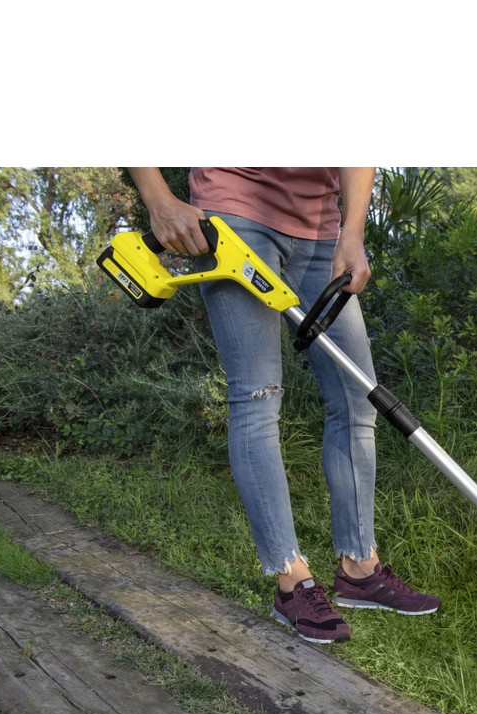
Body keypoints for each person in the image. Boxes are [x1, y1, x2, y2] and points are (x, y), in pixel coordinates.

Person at [128, 167, 439, 644]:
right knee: (257, 397)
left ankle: (360, 567)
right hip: (234, 219)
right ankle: (291, 579)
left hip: (321, 230)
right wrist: (159, 200)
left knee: (358, 398)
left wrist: (352, 233)